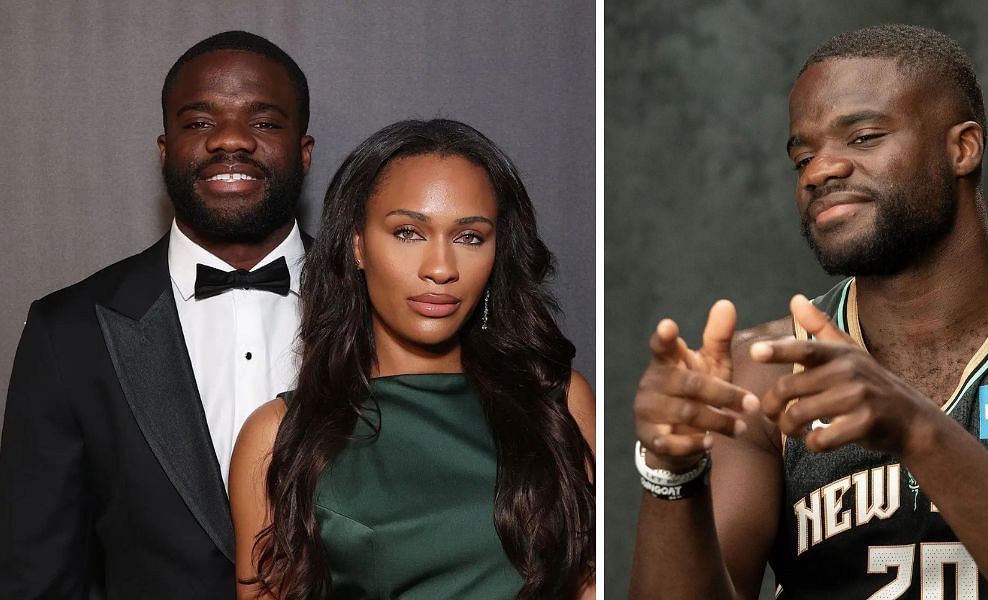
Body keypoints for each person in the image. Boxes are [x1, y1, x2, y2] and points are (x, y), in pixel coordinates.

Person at [630, 24, 988, 599]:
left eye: (865, 137)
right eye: (803, 157)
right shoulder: (764, 375)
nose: (820, 171)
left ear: (962, 148)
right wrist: (672, 476)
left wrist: (920, 432)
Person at [0, 31, 314, 597]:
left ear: (304, 151)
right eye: (199, 123)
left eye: (264, 122)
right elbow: (37, 575)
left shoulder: (380, 312)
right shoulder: (67, 333)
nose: (231, 141)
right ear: (165, 151)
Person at [228, 119, 596, 599]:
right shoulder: (278, 435)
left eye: (469, 237)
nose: (440, 269)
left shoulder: (558, 401)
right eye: (408, 232)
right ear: (357, 244)